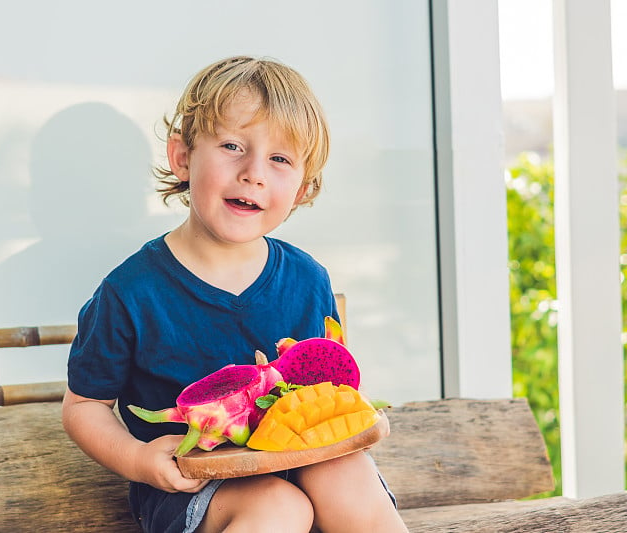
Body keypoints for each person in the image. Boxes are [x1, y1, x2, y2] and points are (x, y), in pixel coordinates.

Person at [62, 56, 408, 533]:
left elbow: (328, 391)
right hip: (193, 486)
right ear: (183, 157)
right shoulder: (130, 292)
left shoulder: (309, 279)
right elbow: (84, 407)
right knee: (281, 507)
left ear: (303, 187)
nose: (254, 173)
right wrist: (139, 460)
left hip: (302, 455)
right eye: (232, 146)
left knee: (345, 473)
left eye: (279, 159)